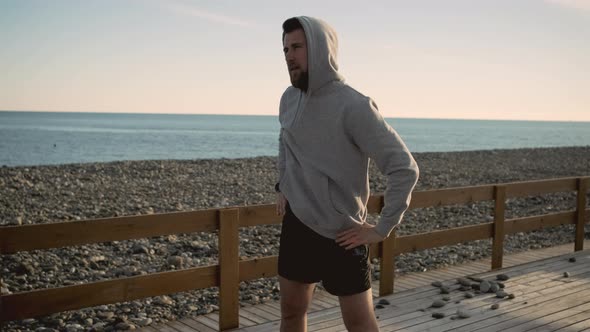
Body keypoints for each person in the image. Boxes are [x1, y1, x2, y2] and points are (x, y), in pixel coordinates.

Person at [275, 16, 419, 332]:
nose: (289, 55)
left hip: (343, 234)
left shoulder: (355, 106)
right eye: (285, 48)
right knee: (290, 314)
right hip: (298, 226)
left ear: (320, 48)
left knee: (360, 324)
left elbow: (404, 168)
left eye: (297, 46)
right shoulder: (289, 98)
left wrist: (382, 228)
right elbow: (286, 140)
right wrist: (282, 184)